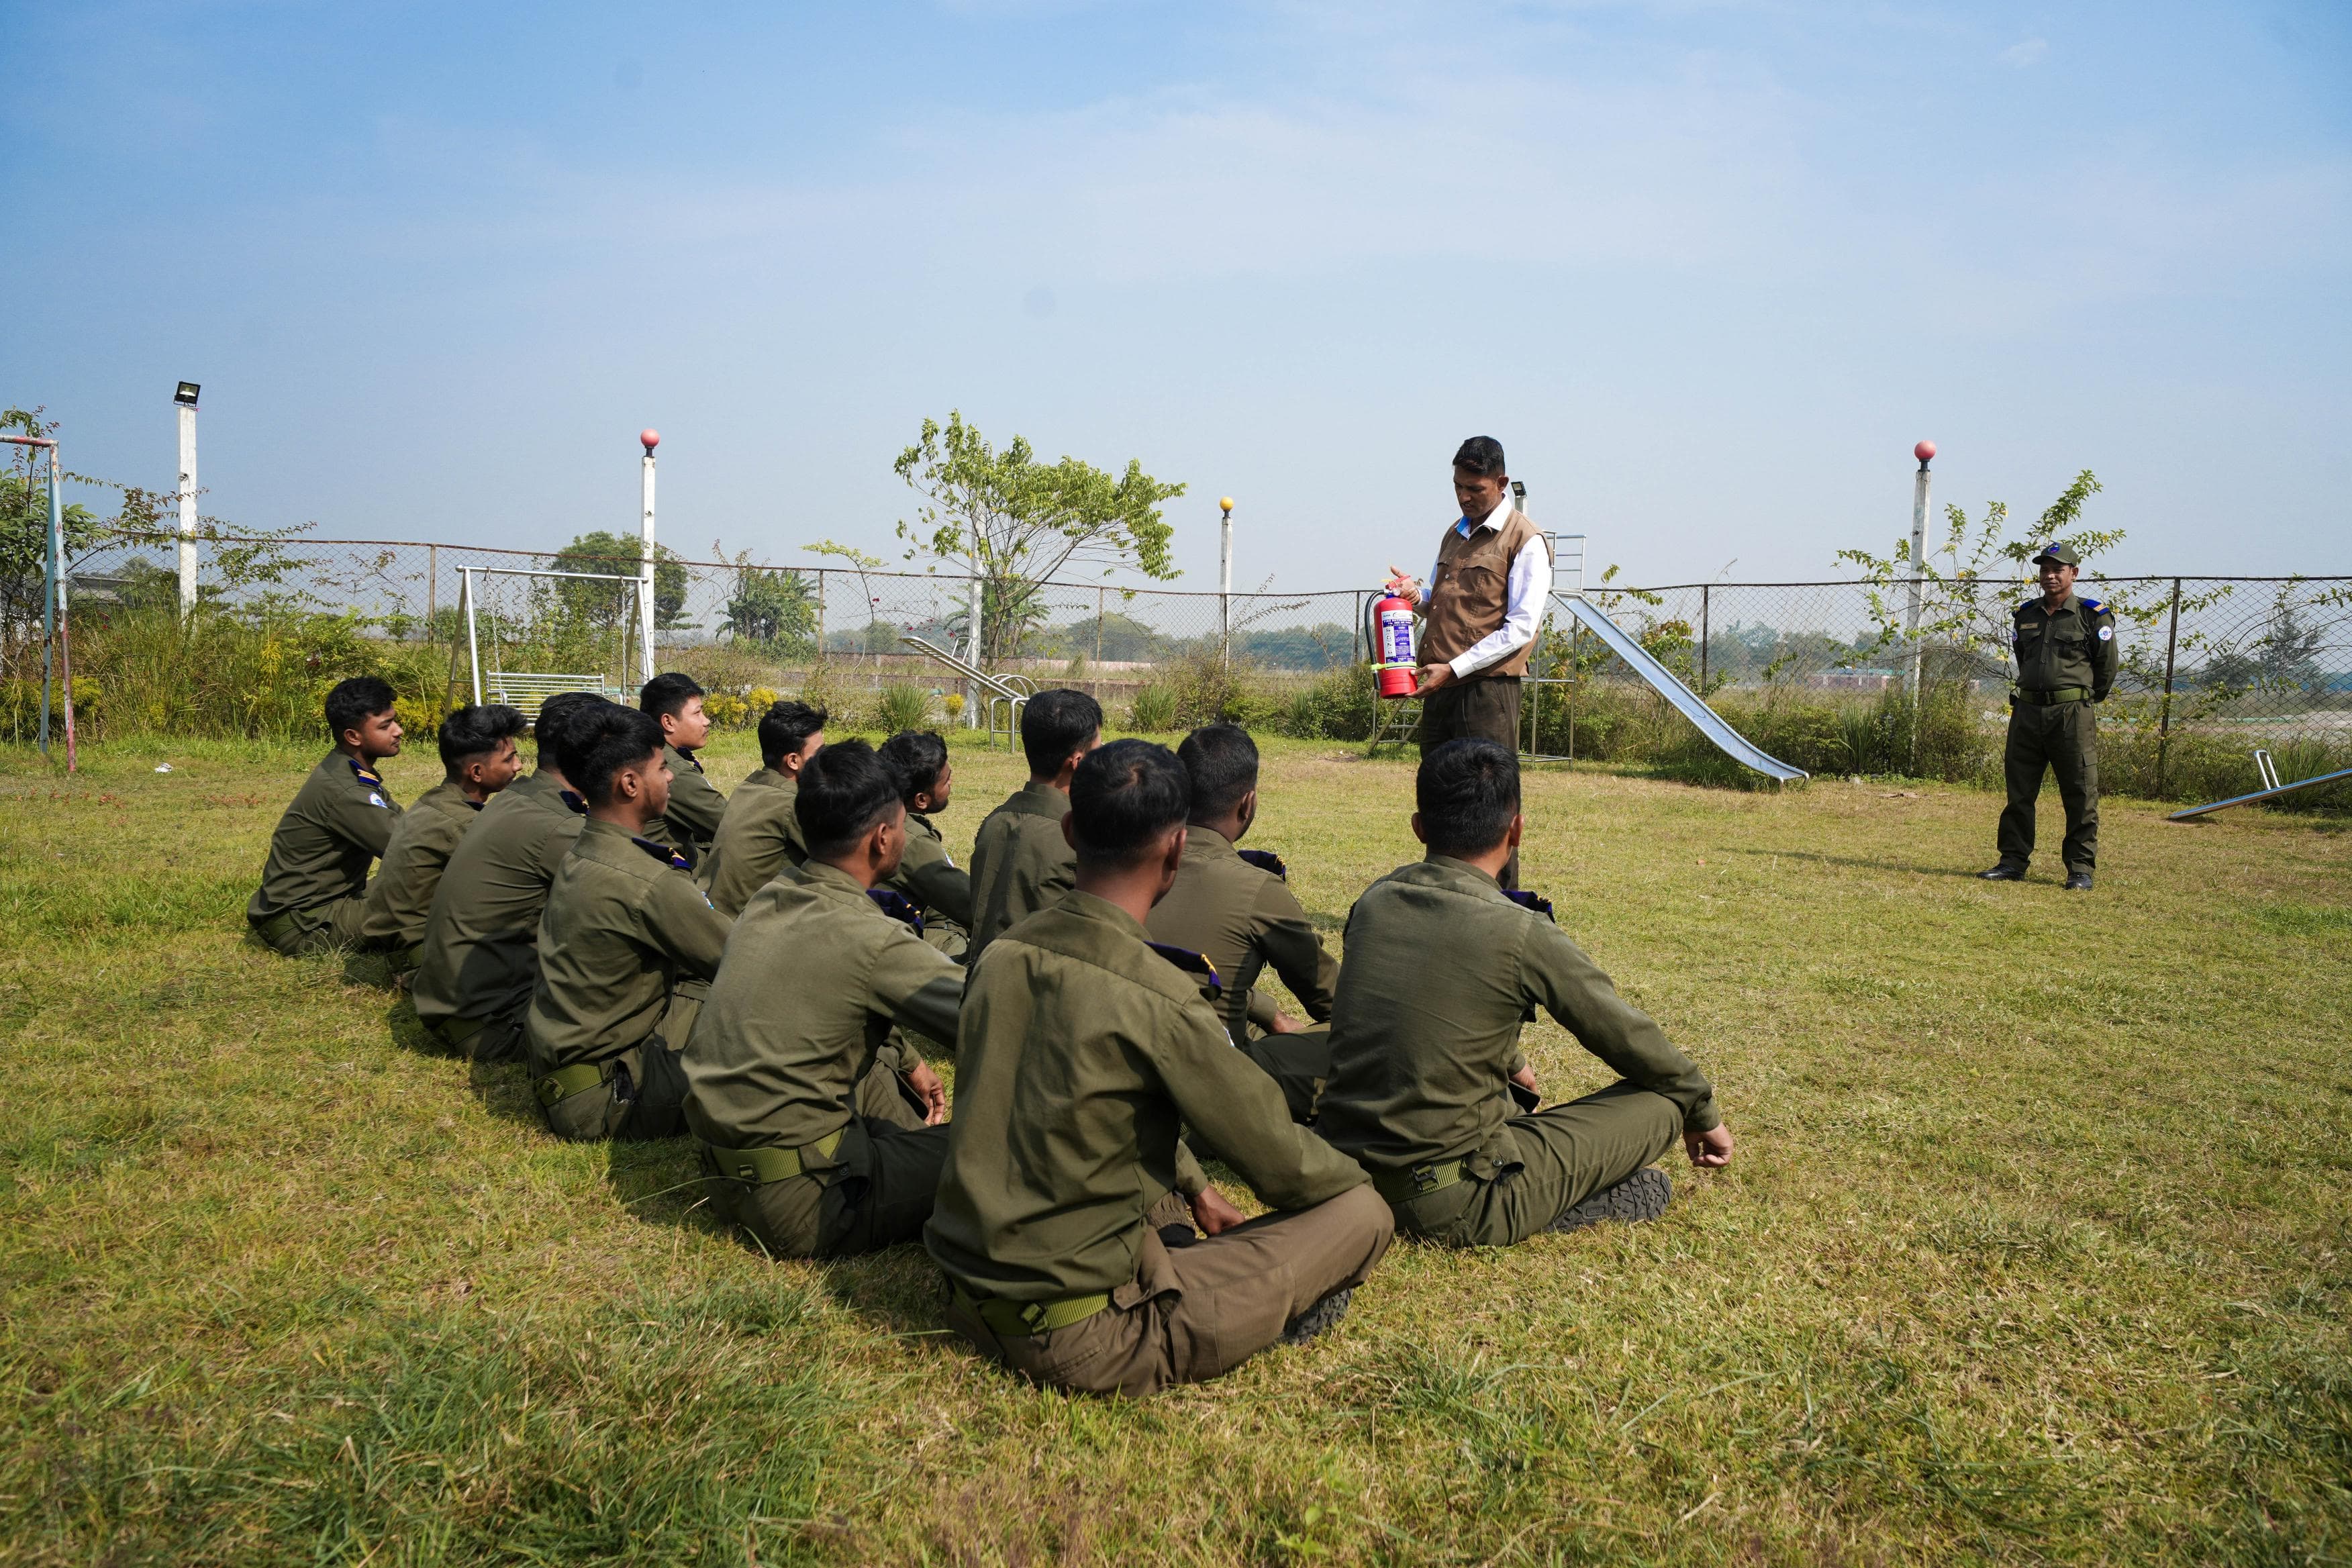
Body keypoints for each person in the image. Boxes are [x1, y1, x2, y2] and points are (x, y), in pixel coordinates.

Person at [926, 740, 1394, 1397]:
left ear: (1069, 831)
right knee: (1364, 1213)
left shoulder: (1001, 957)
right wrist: (1355, 1183)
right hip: (1084, 1337)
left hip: (964, 1292)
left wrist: (1196, 1187)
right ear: (1176, 851)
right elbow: (1284, 1165)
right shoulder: (1161, 993)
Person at [1317, 738, 1733, 1248]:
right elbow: (1628, 1039)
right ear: (1515, 829)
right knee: (1667, 1099)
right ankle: (1557, 1206)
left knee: (1515, 1101)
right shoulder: (1520, 930)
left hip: (1344, 1173)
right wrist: (1701, 1110)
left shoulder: (1375, 900)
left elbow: (1422, 1000)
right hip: (1448, 1199)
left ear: (1419, 827)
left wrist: (1512, 1061)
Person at [685, 740, 961, 1259]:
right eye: (903, 827)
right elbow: (990, 1018)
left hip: (727, 1177)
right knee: (999, 1151)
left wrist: (909, 1060)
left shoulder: (772, 895)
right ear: (883, 839)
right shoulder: (870, 936)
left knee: (899, 1111)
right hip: (808, 1201)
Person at [524, 703, 729, 1140]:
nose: (671, 777)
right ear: (630, 784)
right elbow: (741, 963)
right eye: (662, 768)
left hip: (569, 1077)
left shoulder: (586, 848)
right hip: (611, 1095)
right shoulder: (646, 880)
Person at [1382, 436, 1553, 888]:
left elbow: (1521, 628)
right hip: (1439, 688)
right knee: (1439, 800)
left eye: (1474, 488)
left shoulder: (1525, 540)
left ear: (1501, 482)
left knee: (1491, 806)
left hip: (1487, 693)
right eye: (1458, 486)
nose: (1464, 496)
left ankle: (1502, 904)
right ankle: (1443, 898)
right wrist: (1415, 596)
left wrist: (1454, 669)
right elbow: (1440, 603)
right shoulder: (1454, 534)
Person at [1145, 723, 1339, 1123]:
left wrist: (1266, 1011)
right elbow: (1333, 1000)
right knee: (1361, 1047)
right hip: (1211, 1083)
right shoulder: (1257, 888)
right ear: (1247, 804)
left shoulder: (1126, 863)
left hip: (1132, 1053)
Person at [411, 691, 603, 1063]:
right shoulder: (557, 826)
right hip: (497, 1023)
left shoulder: (520, 798)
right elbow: (639, 901)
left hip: (458, 1005)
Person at [352, 703, 527, 985]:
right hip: (424, 959)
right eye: (509, 759)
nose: (518, 766)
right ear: (477, 772)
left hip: (409, 945)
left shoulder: (436, 801)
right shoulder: (462, 823)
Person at [1978, 543, 2118, 891]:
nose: (2050, 576)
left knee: (2080, 793)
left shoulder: (2093, 616)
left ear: (2074, 573)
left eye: (2058, 569)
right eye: (2045, 570)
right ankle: (2012, 862)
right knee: (2020, 792)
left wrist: (2078, 699)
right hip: (2027, 713)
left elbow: (2106, 669)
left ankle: (2080, 869)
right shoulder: (2026, 615)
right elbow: (2022, 657)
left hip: (2071, 716)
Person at [246, 676, 405, 954]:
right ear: (353, 736)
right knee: (437, 895)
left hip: (323, 905)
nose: (398, 731)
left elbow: (409, 827)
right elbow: (413, 849)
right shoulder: (347, 790)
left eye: (394, 721)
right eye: (385, 726)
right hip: (305, 924)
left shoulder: (349, 771)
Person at [966, 689, 1101, 963]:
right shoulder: (1080, 836)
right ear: (1078, 762)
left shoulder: (995, 821)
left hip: (981, 972)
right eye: (1099, 751)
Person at [702, 699, 826, 919]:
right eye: (819, 754)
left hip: (713, 913)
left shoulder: (749, 787)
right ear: (793, 761)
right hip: (744, 925)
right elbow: (843, 859)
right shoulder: (792, 803)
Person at [876, 729, 973, 961]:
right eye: (946, 780)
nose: (951, 783)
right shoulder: (912, 841)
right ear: (921, 800)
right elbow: (971, 904)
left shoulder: (873, 811)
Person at [640, 672, 726, 863]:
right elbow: (731, 826)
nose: (706, 721)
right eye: (697, 713)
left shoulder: (649, 749)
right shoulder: (674, 771)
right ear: (668, 722)